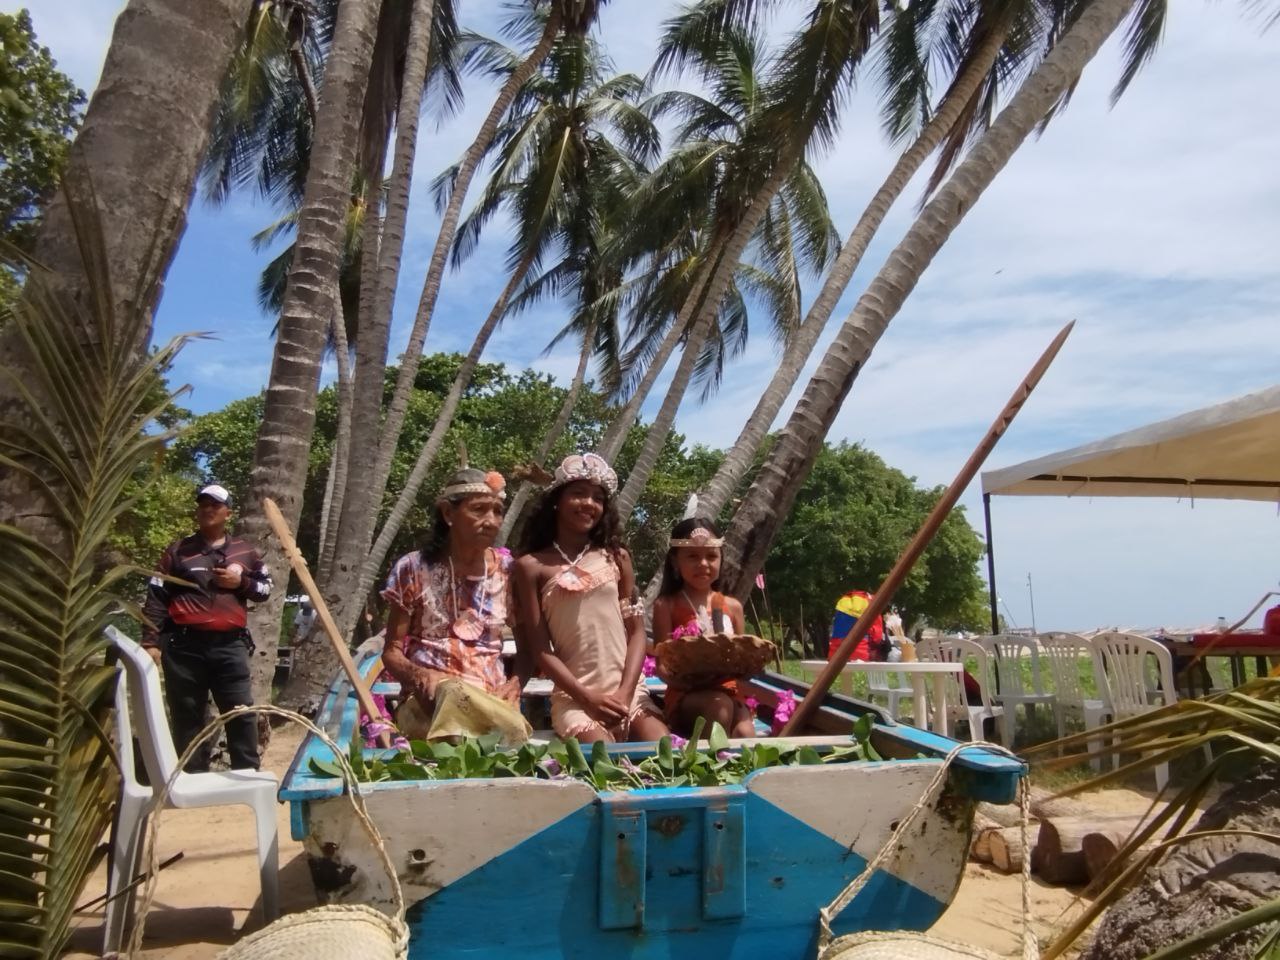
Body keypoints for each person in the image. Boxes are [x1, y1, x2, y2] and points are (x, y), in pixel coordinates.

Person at [512, 453, 668, 743]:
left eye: (598, 498)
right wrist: (588, 699)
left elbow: (635, 633)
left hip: (630, 693)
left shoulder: (618, 558)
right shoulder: (530, 566)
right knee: (603, 759)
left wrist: (624, 694)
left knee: (663, 747)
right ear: (557, 501)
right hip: (576, 700)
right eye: (579, 494)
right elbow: (541, 650)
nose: (589, 504)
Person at [141, 484, 272, 771]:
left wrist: (242, 583)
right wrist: (150, 642)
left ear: (228, 513)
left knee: (241, 712)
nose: (207, 509)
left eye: (215, 505)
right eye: (203, 504)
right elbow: (156, 596)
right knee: (187, 715)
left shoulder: (245, 552)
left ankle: (247, 775)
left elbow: (265, 589)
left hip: (230, 646)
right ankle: (191, 776)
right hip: (184, 647)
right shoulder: (178, 551)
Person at [381, 467, 522, 718]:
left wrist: (515, 683)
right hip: (428, 703)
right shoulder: (413, 568)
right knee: (451, 714)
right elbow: (391, 651)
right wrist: (419, 675)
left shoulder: (509, 572)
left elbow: (529, 644)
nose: (491, 521)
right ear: (448, 513)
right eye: (478, 509)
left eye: (497, 512)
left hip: (493, 700)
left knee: (504, 736)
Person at [652, 517, 755, 738]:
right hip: (686, 694)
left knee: (745, 733)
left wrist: (746, 667)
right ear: (675, 562)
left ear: (721, 559)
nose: (703, 564)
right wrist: (689, 681)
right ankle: (708, 767)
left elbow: (742, 656)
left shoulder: (733, 607)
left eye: (711, 556)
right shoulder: (666, 606)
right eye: (692, 557)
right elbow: (662, 666)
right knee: (719, 707)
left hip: (729, 691)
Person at [829, 588, 886, 662]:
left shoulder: (845, 600)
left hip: (835, 654)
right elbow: (877, 637)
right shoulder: (872, 603)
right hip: (860, 654)